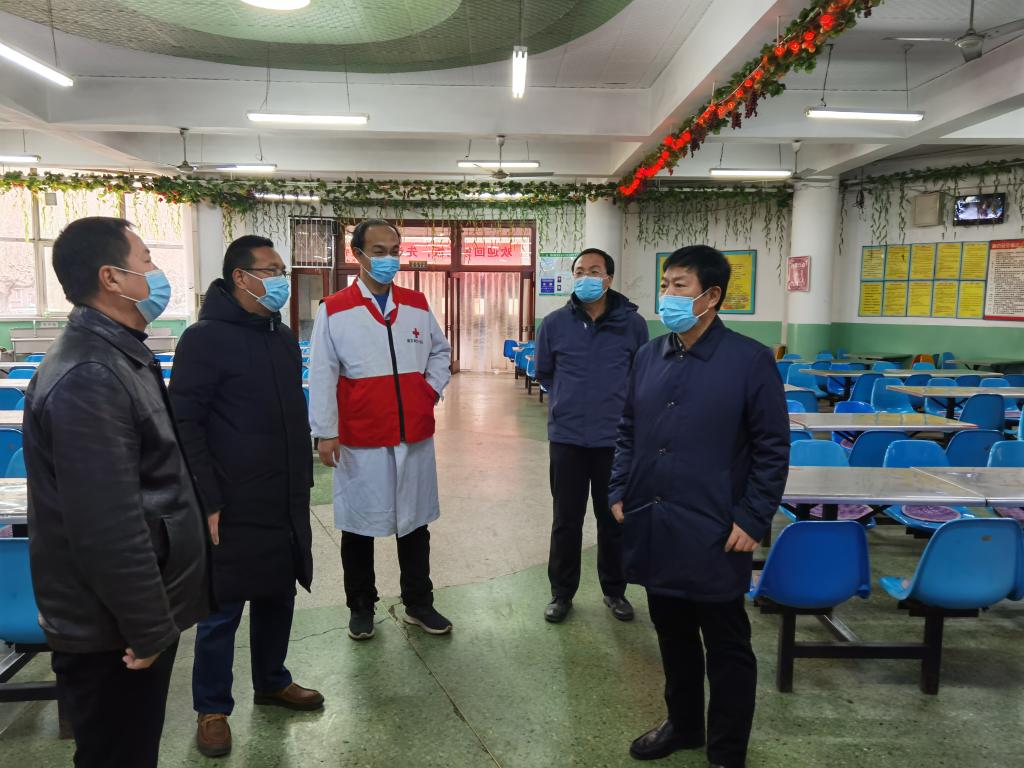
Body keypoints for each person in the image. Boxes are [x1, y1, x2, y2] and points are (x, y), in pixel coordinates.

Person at [22, 216, 209, 768]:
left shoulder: (117, 354)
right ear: (112, 278)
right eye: (146, 260)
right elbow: (108, 523)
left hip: (124, 618)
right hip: (111, 631)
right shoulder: (90, 374)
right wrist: (148, 628)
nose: (156, 272)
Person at [609, 245, 789, 768]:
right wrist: (619, 488)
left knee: (727, 643)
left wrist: (752, 517)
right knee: (672, 633)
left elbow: (772, 448)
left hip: (716, 526)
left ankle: (727, 749)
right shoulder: (649, 355)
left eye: (679, 285)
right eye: (665, 284)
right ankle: (684, 724)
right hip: (655, 517)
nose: (667, 295)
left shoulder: (749, 360)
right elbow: (628, 429)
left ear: (711, 296)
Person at [169, 235, 323, 758]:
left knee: (278, 592)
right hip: (231, 499)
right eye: (270, 270)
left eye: (282, 270)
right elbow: (185, 424)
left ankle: (272, 680)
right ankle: (212, 707)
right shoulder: (204, 339)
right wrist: (206, 498)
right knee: (222, 606)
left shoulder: (281, 337)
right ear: (240, 277)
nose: (281, 279)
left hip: (282, 493)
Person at [308, 219, 453, 640]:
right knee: (358, 526)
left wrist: (428, 391)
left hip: (413, 434)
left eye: (394, 250)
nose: (389, 258)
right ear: (357, 254)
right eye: (378, 251)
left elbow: (440, 352)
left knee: (415, 524)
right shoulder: (335, 309)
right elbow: (322, 373)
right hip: (362, 437)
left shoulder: (416, 303)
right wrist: (325, 431)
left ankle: (419, 603)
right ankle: (361, 606)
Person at [535, 248, 649, 623]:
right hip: (567, 438)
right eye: (580, 271)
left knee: (613, 518)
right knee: (565, 521)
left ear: (609, 279)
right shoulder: (554, 323)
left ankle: (615, 591)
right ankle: (561, 594)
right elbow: (545, 372)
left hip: (615, 441)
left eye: (594, 271)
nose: (586, 277)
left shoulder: (633, 325)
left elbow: (641, 376)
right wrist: (567, 402)